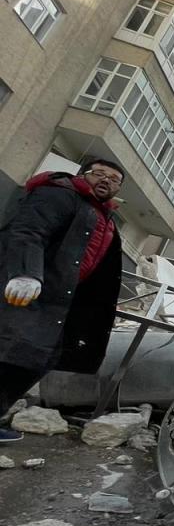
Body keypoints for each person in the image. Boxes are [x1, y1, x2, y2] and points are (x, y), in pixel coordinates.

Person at [0, 158, 126, 442]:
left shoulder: (104, 216)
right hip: (29, 291)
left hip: (59, 300)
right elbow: (29, 230)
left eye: (114, 179)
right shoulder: (60, 194)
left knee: (38, 359)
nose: (106, 180)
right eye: (99, 173)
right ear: (82, 175)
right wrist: (25, 273)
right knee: (9, 352)